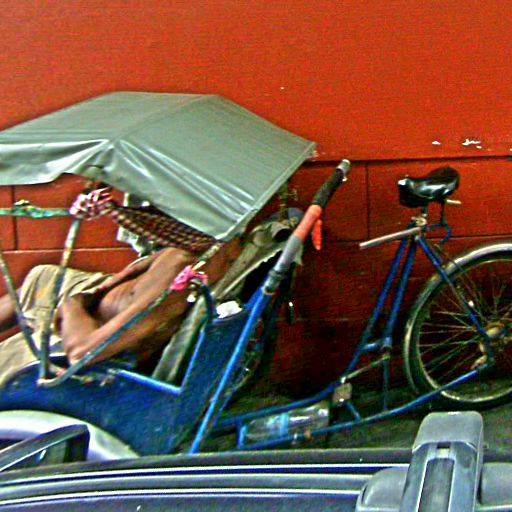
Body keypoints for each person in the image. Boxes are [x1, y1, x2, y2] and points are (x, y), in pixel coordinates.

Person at [0, 241, 240, 383]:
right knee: (41, 278)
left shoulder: (177, 280)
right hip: (92, 304)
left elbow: (82, 352)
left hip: (86, 331)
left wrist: (73, 306)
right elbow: (129, 273)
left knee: (12, 353)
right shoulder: (189, 249)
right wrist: (97, 292)